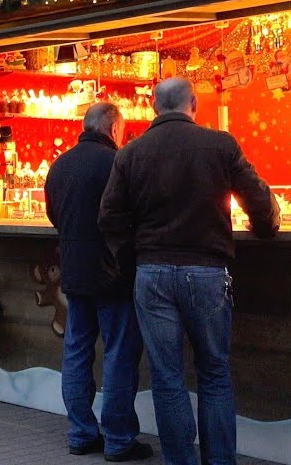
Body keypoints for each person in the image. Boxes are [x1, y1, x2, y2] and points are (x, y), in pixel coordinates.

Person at [99, 78, 278, 465]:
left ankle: (179, 459)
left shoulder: (130, 153)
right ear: (194, 103)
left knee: (166, 377)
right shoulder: (220, 145)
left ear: (153, 106)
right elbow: (258, 200)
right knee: (214, 372)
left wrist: (133, 260)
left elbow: (109, 216)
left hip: (151, 273)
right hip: (207, 271)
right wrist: (267, 226)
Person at [45, 102, 152, 462]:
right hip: (114, 274)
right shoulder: (118, 163)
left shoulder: (60, 165)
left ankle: (81, 433)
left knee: (76, 351)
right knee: (119, 354)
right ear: (113, 128)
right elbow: (137, 215)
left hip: (74, 272)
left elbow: (54, 216)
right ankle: (119, 439)